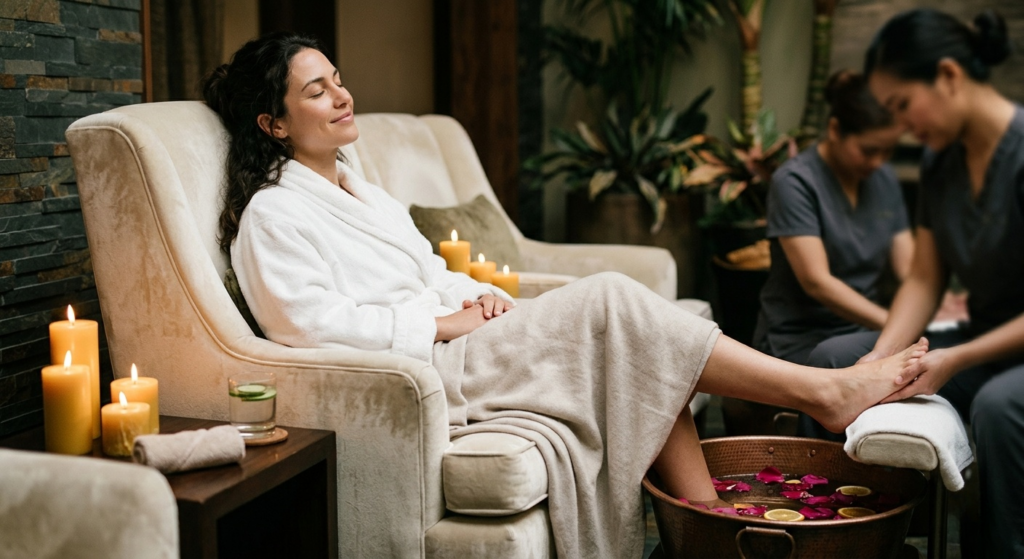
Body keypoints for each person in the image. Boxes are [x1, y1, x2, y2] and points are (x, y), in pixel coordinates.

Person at [204, 32, 927, 559]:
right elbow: (305, 327)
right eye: (317, 89)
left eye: (338, 77)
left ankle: (706, 529)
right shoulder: (273, 214)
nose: (342, 94)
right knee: (614, 302)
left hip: (463, 339)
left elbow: (430, 267)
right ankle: (821, 392)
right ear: (274, 123)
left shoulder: (359, 188)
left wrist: (475, 298)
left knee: (648, 344)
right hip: (421, 374)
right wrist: (441, 322)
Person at [806, 9, 1024, 558]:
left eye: (903, 105)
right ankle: (848, 538)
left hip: (1000, 353)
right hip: (976, 338)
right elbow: (926, 276)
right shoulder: (939, 161)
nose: (902, 125)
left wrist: (957, 358)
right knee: (838, 358)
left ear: (948, 76)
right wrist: (879, 359)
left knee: (1000, 407)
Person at [753, 70, 913, 367]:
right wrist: (896, 323)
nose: (878, 162)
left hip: (865, 331)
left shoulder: (884, 179)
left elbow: (909, 267)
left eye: (887, 151)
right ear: (835, 129)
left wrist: (938, 309)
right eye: (868, 151)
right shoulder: (794, 182)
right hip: (801, 338)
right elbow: (817, 282)